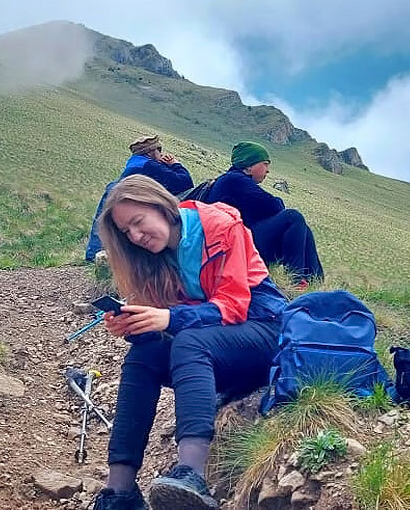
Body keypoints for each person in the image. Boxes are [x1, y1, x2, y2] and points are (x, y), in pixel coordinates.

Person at [90, 175, 287, 510]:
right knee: (145, 354)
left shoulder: (221, 227)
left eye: (138, 222)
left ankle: (192, 475)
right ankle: (119, 490)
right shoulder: (153, 258)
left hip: (268, 333)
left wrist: (169, 319)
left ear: (162, 206)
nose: (136, 237)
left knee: (190, 341)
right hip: (218, 351)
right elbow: (168, 330)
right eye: (126, 233)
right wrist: (135, 325)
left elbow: (234, 306)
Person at [205, 141, 324, 284]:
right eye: (265, 164)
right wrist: (278, 201)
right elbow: (275, 206)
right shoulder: (235, 180)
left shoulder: (232, 181)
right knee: (293, 217)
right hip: (230, 247)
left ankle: (315, 281)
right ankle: (296, 280)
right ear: (249, 166)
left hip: (233, 243)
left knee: (302, 227)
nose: (268, 170)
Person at [85, 135, 194, 261]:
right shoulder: (149, 165)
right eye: (159, 151)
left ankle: (93, 255)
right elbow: (185, 182)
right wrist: (175, 164)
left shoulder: (133, 164)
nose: (161, 154)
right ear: (151, 152)